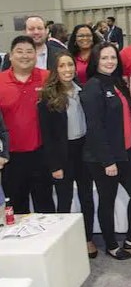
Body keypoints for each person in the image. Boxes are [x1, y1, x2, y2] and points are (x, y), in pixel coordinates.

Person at [80, 42, 131, 260]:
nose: (110, 62)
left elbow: (126, 119)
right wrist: (107, 161)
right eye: (104, 58)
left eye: (113, 57)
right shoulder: (92, 88)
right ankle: (112, 245)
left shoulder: (117, 83)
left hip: (127, 151)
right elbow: (94, 128)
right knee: (107, 200)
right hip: (103, 158)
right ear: (96, 61)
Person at [38, 52, 97, 257]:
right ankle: (62, 240)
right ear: (55, 70)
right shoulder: (48, 96)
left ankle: (88, 237)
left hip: (83, 150)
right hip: (63, 153)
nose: (67, 70)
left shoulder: (82, 91)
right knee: (65, 198)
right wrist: (55, 166)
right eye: (62, 66)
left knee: (86, 196)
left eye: (70, 65)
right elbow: (47, 136)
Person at [0, 36, 54, 214]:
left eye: (29, 51)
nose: (25, 56)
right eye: (19, 51)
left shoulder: (47, 78)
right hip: (11, 158)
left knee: (45, 207)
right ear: (10, 56)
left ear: (36, 55)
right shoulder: (0, 81)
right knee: (16, 209)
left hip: (42, 155)